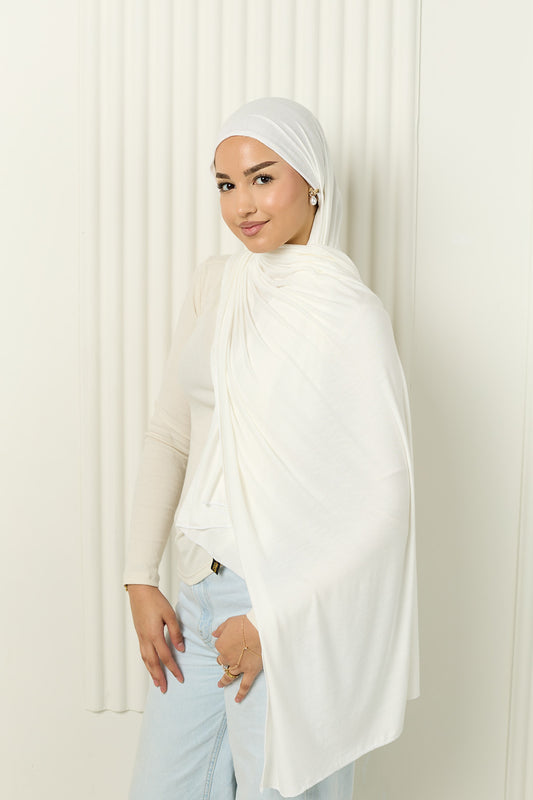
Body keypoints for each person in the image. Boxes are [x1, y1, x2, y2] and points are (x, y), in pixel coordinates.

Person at [124, 97, 420, 800]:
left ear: (312, 181)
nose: (242, 205)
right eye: (226, 184)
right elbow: (171, 432)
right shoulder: (216, 283)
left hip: (278, 603)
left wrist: (272, 621)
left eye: (263, 178)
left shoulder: (349, 313)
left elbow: (386, 508)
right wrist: (139, 575)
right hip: (195, 595)